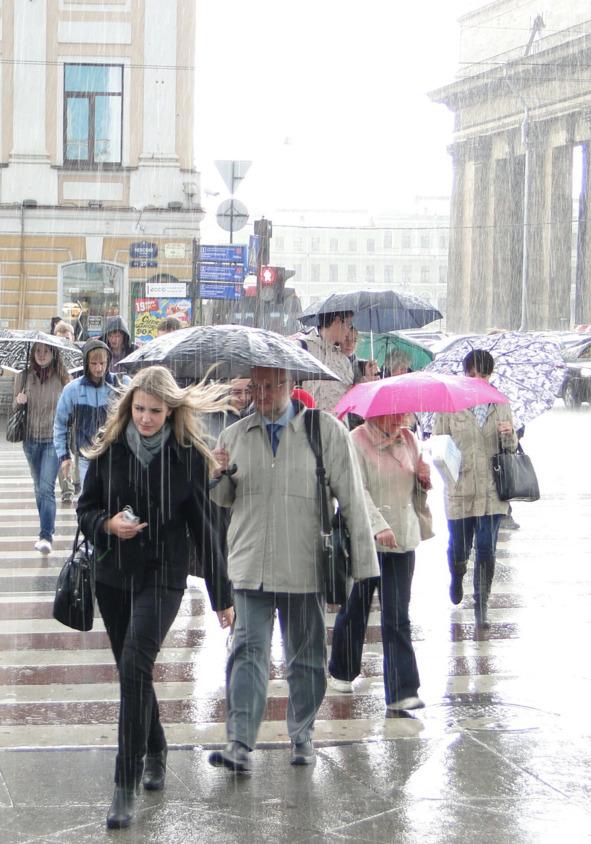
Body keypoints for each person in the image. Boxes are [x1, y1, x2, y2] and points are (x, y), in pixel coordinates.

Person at [77, 365, 234, 830]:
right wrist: (107, 524)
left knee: (134, 664)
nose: (146, 419)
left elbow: (205, 531)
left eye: (155, 411)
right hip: (113, 576)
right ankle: (157, 747)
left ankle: (124, 784)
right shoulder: (109, 447)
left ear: (171, 412)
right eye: (140, 409)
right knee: (134, 672)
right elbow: (85, 509)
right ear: (129, 407)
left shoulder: (186, 457)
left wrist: (222, 596)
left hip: (163, 577)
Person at [207, 366, 378, 775]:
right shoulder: (233, 435)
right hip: (250, 562)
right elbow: (224, 499)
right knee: (246, 652)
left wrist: (364, 565)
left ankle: (302, 733)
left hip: (304, 563)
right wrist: (216, 474)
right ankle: (239, 742)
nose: (262, 395)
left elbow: (352, 499)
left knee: (306, 657)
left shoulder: (324, 431)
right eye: (256, 387)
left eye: (271, 386)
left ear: (290, 385)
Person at [328, 413, 432, 710]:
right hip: (366, 540)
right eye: (394, 414)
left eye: (403, 413)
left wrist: (423, 480)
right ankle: (342, 669)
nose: (400, 418)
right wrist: (377, 526)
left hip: (402, 539)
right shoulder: (356, 440)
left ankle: (402, 691)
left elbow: (414, 492)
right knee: (356, 607)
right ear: (376, 413)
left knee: (397, 615)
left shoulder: (409, 439)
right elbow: (356, 491)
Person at [433, 349, 517, 629]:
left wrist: (509, 436)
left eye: (483, 374)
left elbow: (510, 448)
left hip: (492, 490)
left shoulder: (500, 403)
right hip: (460, 488)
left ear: (490, 375)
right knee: (459, 547)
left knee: (485, 547)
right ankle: (457, 574)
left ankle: (481, 604)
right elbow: (438, 443)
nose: (478, 379)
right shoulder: (449, 404)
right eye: (472, 374)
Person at [13, 343, 70, 554]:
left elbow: (70, 408)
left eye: (46, 351)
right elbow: (14, 408)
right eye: (38, 351)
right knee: (38, 488)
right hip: (30, 440)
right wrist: (19, 401)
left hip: (53, 440)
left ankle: (46, 535)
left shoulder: (62, 378)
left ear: (53, 353)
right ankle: (47, 527)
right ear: (33, 353)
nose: (42, 355)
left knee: (46, 488)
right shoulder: (24, 376)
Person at [53, 339, 122, 494]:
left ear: (108, 362)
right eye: (93, 363)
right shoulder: (72, 390)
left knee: (113, 499)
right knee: (89, 500)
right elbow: (60, 424)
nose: (99, 368)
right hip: (86, 457)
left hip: (115, 456)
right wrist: (64, 457)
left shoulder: (120, 385)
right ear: (86, 363)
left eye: (102, 363)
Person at [299, 311, 356, 411]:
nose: (348, 330)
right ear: (337, 321)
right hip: (310, 419)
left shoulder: (344, 360)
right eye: (348, 324)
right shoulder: (302, 349)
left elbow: (348, 400)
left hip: (338, 420)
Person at [52, 320, 78, 500]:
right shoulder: (52, 361)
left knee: (80, 450)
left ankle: (79, 481)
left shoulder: (81, 357)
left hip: (78, 413)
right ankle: (67, 488)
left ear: (73, 338)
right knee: (62, 450)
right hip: (60, 414)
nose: (63, 342)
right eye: (60, 339)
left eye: (66, 338)